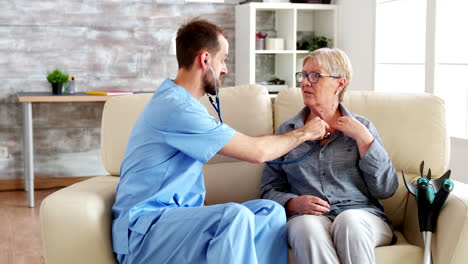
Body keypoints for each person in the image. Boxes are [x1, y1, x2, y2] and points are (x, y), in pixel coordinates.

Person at [111, 19, 330, 264]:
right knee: (232, 216)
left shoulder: (185, 104)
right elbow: (256, 152)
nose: (225, 69)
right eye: (223, 59)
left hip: (174, 225)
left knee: (269, 212)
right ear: (205, 60)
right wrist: (306, 132)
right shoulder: (176, 108)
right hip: (144, 233)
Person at [261, 48, 399, 264]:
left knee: (348, 221)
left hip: (361, 215)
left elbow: (386, 188)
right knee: (305, 226)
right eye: (303, 75)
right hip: (309, 218)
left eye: (315, 76)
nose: (305, 82)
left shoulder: (363, 128)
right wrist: (292, 203)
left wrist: (364, 140)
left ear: (340, 83)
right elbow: (268, 190)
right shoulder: (288, 131)